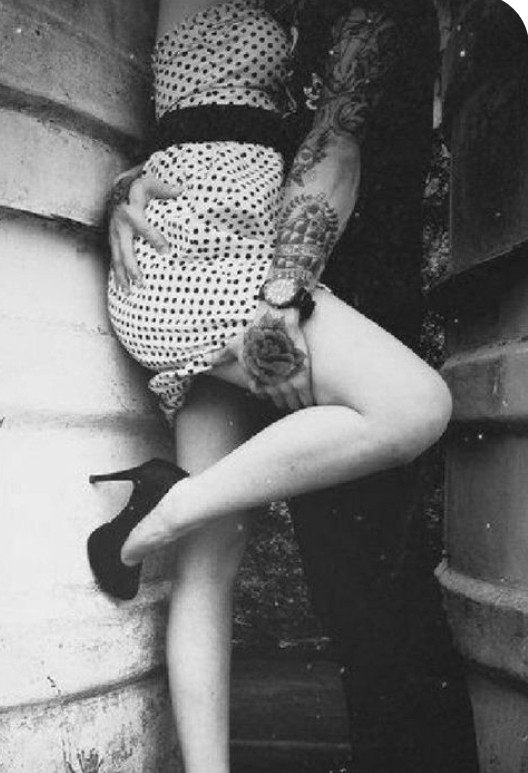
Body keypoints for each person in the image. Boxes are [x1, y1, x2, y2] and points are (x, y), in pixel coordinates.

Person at [88, 1, 453, 772]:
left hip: (222, 243)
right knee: (416, 404)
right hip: (209, 254)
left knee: (210, 558)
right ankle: (167, 504)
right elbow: (305, 142)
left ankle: (173, 505)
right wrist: (282, 298)